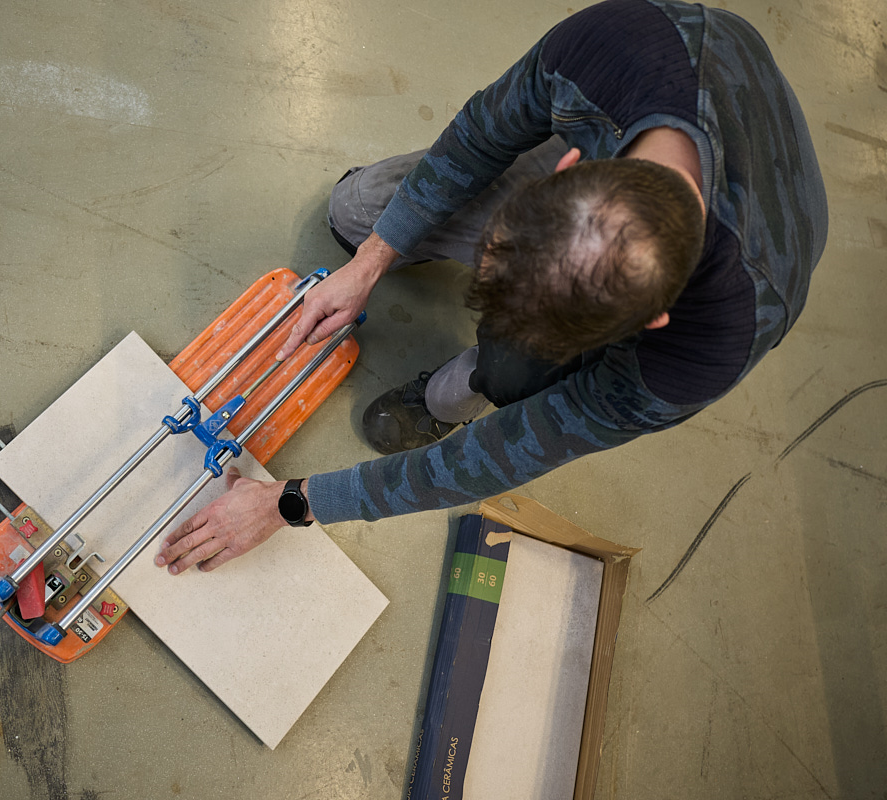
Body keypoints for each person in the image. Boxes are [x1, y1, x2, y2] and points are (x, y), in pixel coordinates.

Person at [155, 0, 828, 576]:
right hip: (666, 90)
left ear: (653, 321)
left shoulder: (716, 340)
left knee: (511, 371)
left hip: (750, 235)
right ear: (567, 166)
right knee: (355, 215)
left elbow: (510, 451)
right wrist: (370, 262)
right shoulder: (612, 48)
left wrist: (289, 504)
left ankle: (458, 390)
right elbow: (480, 136)